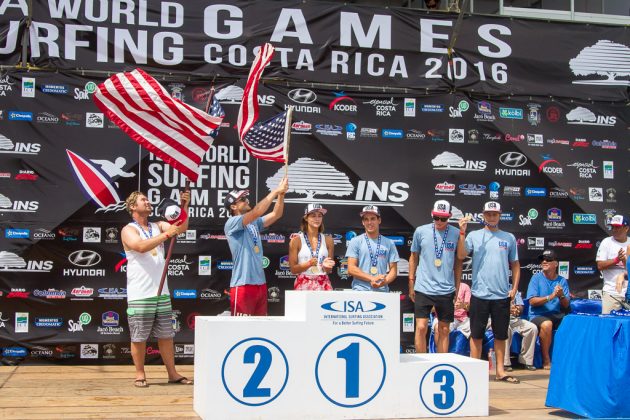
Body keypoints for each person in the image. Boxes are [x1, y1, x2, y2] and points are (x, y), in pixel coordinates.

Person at [121, 190, 192, 388]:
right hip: (140, 293)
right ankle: (140, 374)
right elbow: (140, 246)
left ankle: (172, 373)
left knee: (166, 335)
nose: (148, 201)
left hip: (162, 292)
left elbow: (181, 227)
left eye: (148, 199)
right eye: (143, 200)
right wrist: (166, 235)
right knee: (139, 337)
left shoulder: (157, 225)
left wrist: (185, 206)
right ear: (133, 207)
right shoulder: (128, 229)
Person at [457, 201, 520, 384]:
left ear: (499, 215)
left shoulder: (508, 237)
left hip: (501, 295)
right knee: (476, 334)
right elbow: (461, 255)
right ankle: (476, 371)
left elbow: (515, 265)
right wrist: (462, 232)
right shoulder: (475, 236)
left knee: (501, 335)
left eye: (495, 214)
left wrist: (514, 288)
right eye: (488, 214)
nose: (491, 217)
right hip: (479, 294)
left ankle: (500, 371)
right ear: (483, 215)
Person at [224, 177, 289, 316]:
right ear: (233, 206)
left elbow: (276, 214)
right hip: (242, 284)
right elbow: (257, 211)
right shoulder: (232, 222)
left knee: (259, 329)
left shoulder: (254, 222)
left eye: (246, 197)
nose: (246, 200)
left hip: (260, 283)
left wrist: (281, 195)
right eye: (242, 199)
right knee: (241, 331)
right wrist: (275, 190)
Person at [409, 200, 463, 353]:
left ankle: (441, 363)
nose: (439, 221)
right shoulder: (420, 231)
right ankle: (421, 364)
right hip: (423, 287)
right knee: (420, 328)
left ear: (449, 217)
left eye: (443, 218)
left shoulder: (455, 233)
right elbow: (413, 257)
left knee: (444, 329)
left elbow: (459, 262)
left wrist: (457, 286)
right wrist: (411, 281)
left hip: (446, 289)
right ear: (432, 214)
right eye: (436, 217)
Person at [526, 249, 570, 370]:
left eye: (548, 260)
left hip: (556, 314)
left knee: (573, 322)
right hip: (537, 315)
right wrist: (551, 296)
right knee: (547, 324)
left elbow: (566, 305)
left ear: (555, 264)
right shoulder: (536, 278)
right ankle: (546, 360)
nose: (544, 262)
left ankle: (569, 359)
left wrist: (560, 295)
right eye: (542, 260)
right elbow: (532, 301)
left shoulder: (562, 280)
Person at [346, 205, 399, 292]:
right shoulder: (355, 241)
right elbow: (351, 268)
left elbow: (393, 270)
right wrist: (372, 278)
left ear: (379, 220)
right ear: (363, 222)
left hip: (382, 291)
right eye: (366, 219)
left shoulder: (389, 243)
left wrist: (382, 282)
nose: (369, 222)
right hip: (360, 290)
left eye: (373, 218)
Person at [288, 203, 336, 290]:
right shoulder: (296, 240)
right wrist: (308, 264)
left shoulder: (329, 240)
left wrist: (326, 266)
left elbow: (328, 270)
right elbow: (293, 269)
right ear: (306, 218)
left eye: (319, 216)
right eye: (313, 216)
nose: (317, 219)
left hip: (323, 283)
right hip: (303, 283)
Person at [596, 215, 629, 314]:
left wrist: (624, 261)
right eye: (613, 227)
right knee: (608, 324)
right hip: (611, 293)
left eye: (618, 227)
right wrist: (616, 259)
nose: (614, 229)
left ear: (626, 228)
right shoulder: (606, 242)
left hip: (629, 293)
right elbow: (600, 265)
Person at [504, 289, 538, 372]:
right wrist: (506, 309)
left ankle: (525, 361)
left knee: (532, 328)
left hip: (513, 319)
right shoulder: (492, 288)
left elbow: (521, 307)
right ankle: (505, 363)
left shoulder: (512, 288)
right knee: (505, 328)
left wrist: (517, 309)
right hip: (497, 318)